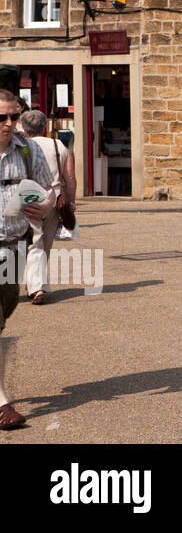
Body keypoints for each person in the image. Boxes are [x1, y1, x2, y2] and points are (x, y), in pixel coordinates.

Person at [0, 90, 55, 428]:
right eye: (0, 118)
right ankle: (3, 403)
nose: (8, 124)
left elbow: (50, 189)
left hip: (13, 246)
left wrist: (46, 205)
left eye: (12, 117)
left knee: (4, 313)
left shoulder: (28, 148)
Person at [18, 110, 75, 303]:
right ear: (44, 126)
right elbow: (69, 177)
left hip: (30, 195)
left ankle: (36, 287)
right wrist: (71, 201)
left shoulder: (23, 146)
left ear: (24, 127)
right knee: (45, 242)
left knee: (35, 241)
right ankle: (36, 284)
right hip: (55, 197)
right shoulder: (58, 145)